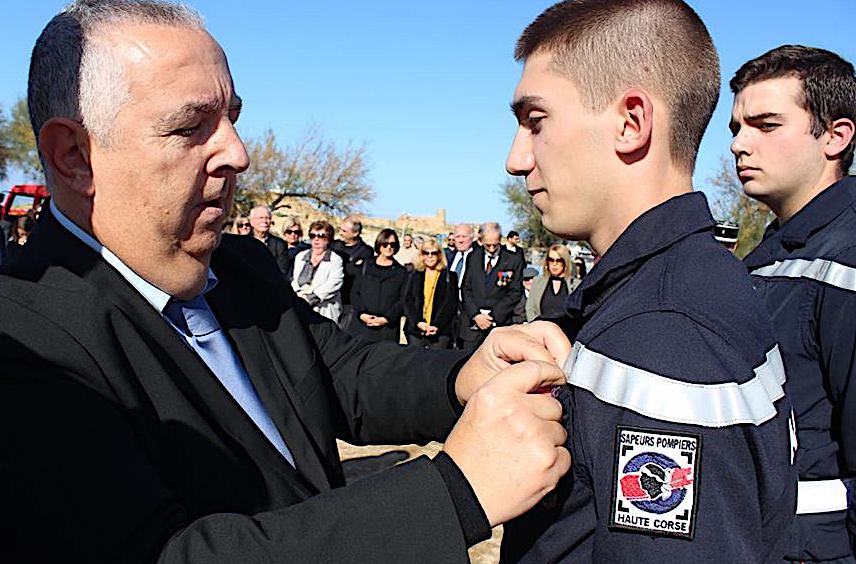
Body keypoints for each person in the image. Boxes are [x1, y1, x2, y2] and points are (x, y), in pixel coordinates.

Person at [0, 2, 574, 561]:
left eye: (233, 118)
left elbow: (340, 374)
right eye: (189, 127)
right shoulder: (24, 339)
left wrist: (465, 377)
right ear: (75, 155)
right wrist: (454, 494)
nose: (238, 153)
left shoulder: (239, 268)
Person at [500, 1, 796, 562]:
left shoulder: (663, 331)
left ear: (631, 122)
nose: (516, 159)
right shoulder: (693, 285)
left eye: (536, 122)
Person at [730, 45, 856, 563]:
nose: (739, 144)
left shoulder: (847, 261)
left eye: (766, 125)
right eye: (737, 128)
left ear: (835, 136)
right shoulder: (766, 257)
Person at [459, 222, 524, 351]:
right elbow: (466, 288)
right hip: (473, 324)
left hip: (499, 323)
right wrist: (476, 315)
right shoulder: (473, 257)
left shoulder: (513, 260)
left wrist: (493, 316)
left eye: (495, 244)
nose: (492, 248)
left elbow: (515, 292)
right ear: (481, 240)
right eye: (488, 245)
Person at [349, 228, 408, 343]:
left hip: (386, 330)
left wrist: (386, 319)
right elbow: (355, 292)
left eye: (392, 244)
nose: (389, 247)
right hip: (361, 326)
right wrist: (362, 314)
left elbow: (403, 300)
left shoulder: (402, 272)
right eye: (385, 244)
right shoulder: (365, 266)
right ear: (379, 245)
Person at [403, 237, 459, 349]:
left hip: (440, 332)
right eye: (426, 253)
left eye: (434, 253)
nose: (430, 256)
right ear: (421, 255)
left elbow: (451, 303)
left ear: (439, 255)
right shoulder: (414, 274)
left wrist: (436, 325)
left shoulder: (450, 276)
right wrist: (418, 322)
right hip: (416, 331)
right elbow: (407, 300)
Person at [291, 220, 343, 323]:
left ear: (329, 239)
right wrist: (299, 296)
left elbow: (333, 284)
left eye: (321, 236)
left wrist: (310, 298)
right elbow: (295, 280)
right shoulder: (300, 256)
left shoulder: (335, 260)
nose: (316, 239)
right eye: (312, 235)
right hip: (301, 307)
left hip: (325, 310)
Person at [331, 215, 374, 329]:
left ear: (355, 233)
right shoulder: (334, 246)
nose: (340, 233)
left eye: (344, 231)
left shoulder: (365, 252)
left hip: (350, 301)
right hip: (333, 297)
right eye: (340, 229)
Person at [525, 244, 576, 322]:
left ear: (565, 262)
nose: (554, 264)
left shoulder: (575, 284)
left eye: (559, 260)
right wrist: (536, 325)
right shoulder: (537, 282)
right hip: (541, 328)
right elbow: (530, 308)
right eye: (551, 260)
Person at [249, 205, 289, 278]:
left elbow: (282, 271)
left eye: (267, 218)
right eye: (261, 218)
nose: (264, 221)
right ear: (252, 222)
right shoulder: (243, 242)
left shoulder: (279, 244)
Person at [282, 215, 309, 280]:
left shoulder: (306, 249)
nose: (293, 234)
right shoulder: (279, 248)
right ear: (284, 233)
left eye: (296, 232)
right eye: (289, 232)